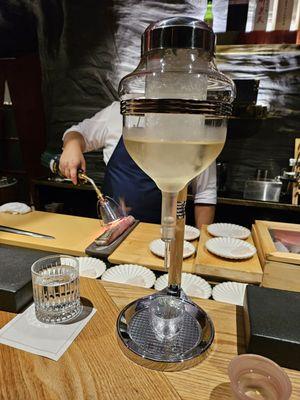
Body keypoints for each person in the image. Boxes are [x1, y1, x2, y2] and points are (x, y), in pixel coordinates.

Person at [60, 101, 217, 228]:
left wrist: (200, 245)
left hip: (165, 238)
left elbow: (205, 194)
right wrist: (72, 145)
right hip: (112, 232)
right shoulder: (119, 110)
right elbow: (78, 133)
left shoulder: (195, 126)